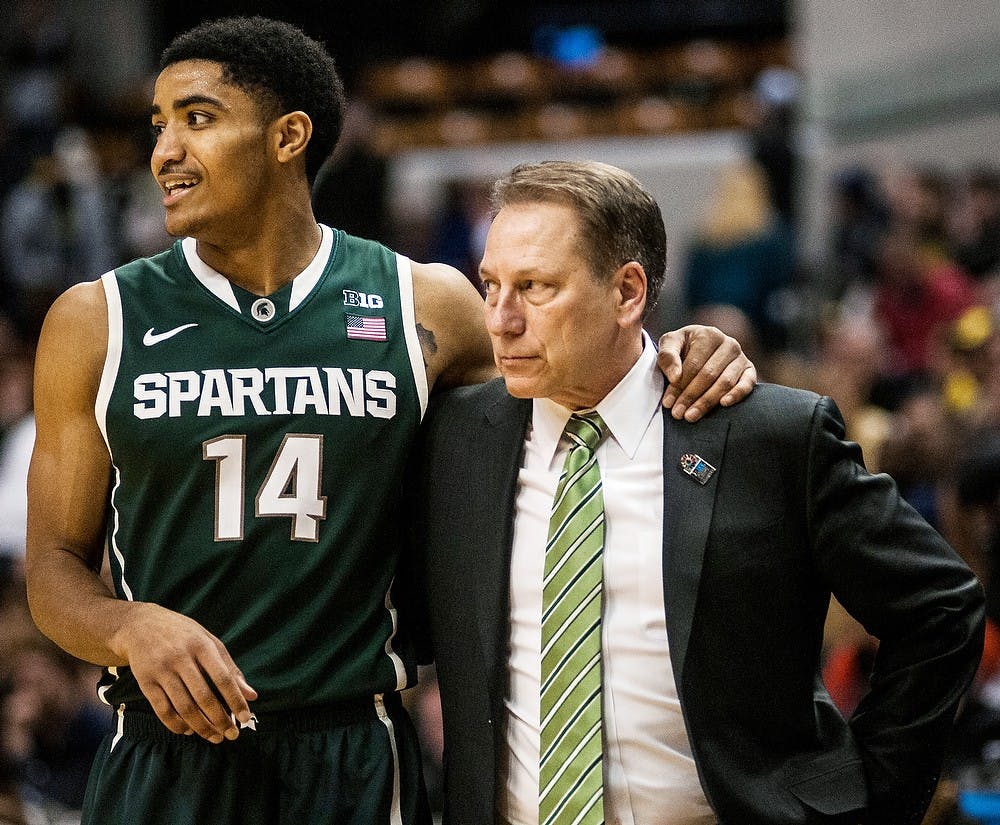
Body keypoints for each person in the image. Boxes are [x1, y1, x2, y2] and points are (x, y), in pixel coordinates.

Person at [23, 17, 756, 825]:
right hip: (162, 751)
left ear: (288, 136)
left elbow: (579, 375)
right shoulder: (97, 319)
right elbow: (54, 568)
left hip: (355, 748)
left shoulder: (423, 300)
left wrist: (676, 347)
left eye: (197, 119)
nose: (163, 151)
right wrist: (127, 625)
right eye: (159, 125)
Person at [409, 160, 986, 825]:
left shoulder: (768, 435)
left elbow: (940, 609)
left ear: (628, 293)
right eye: (491, 286)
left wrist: (867, 799)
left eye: (535, 287)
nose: (501, 319)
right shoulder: (453, 437)